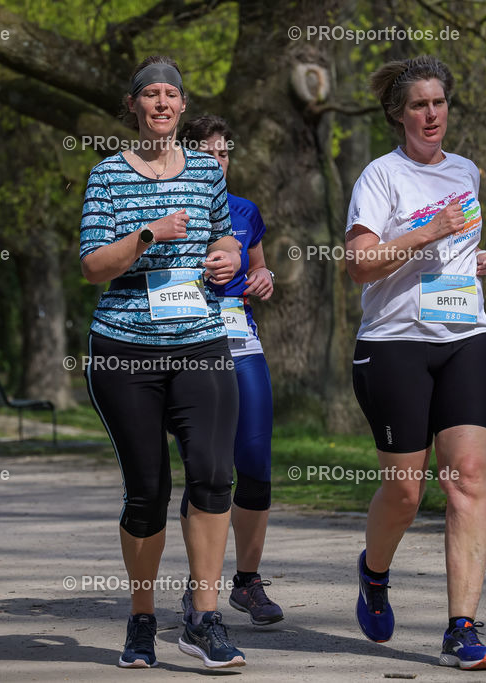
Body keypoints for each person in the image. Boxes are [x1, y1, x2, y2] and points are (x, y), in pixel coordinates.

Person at [80, 55, 246, 669]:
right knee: (148, 490)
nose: (161, 103)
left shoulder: (206, 169)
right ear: (133, 106)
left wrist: (228, 257)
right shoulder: (106, 176)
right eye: (149, 94)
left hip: (200, 341)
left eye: (170, 94)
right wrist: (148, 234)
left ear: (181, 106)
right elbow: (93, 267)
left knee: (211, 473)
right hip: (126, 350)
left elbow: (225, 233)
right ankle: (141, 618)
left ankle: (205, 617)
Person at [345, 55, 486, 670]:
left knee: (467, 479)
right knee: (406, 493)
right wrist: (428, 231)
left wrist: (485, 257)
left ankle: (461, 627)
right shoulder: (380, 177)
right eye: (419, 104)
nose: (431, 114)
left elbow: (457, 254)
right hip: (394, 343)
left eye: (439, 103)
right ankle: (375, 571)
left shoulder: (466, 171)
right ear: (399, 112)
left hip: (466, 334)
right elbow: (359, 263)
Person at [177, 115, 283, 626]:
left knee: (256, 462)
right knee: (207, 467)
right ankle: (200, 591)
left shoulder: (245, 211)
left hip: (242, 343)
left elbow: (260, 266)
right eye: (208, 154)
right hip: (190, 347)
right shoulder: (169, 208)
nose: (219, 163)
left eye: (225, 154)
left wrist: (262, 278)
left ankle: (247, 582)